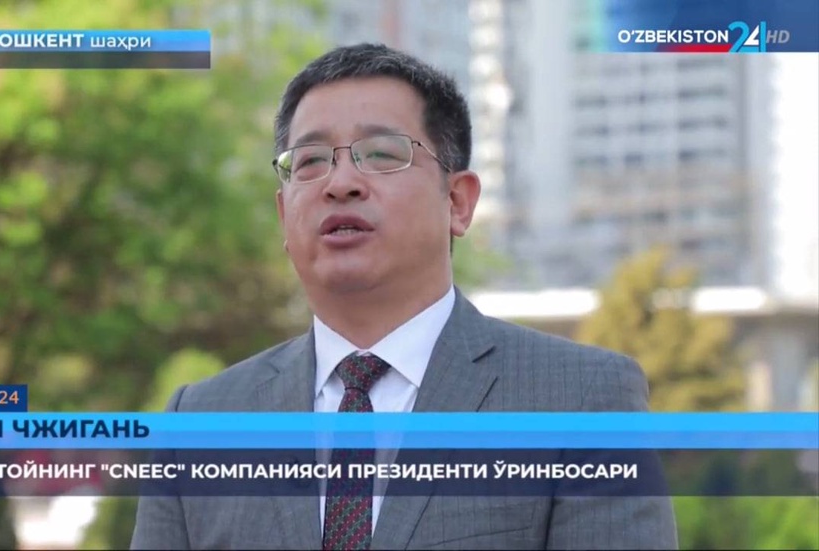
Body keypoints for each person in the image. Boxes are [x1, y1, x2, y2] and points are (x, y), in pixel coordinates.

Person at [131, 43, 678, 550]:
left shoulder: (578, 400)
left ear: (458, 202)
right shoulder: (200, 423)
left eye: (380, 153)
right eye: (312, 161)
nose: (340, 183)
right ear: (283, 214)